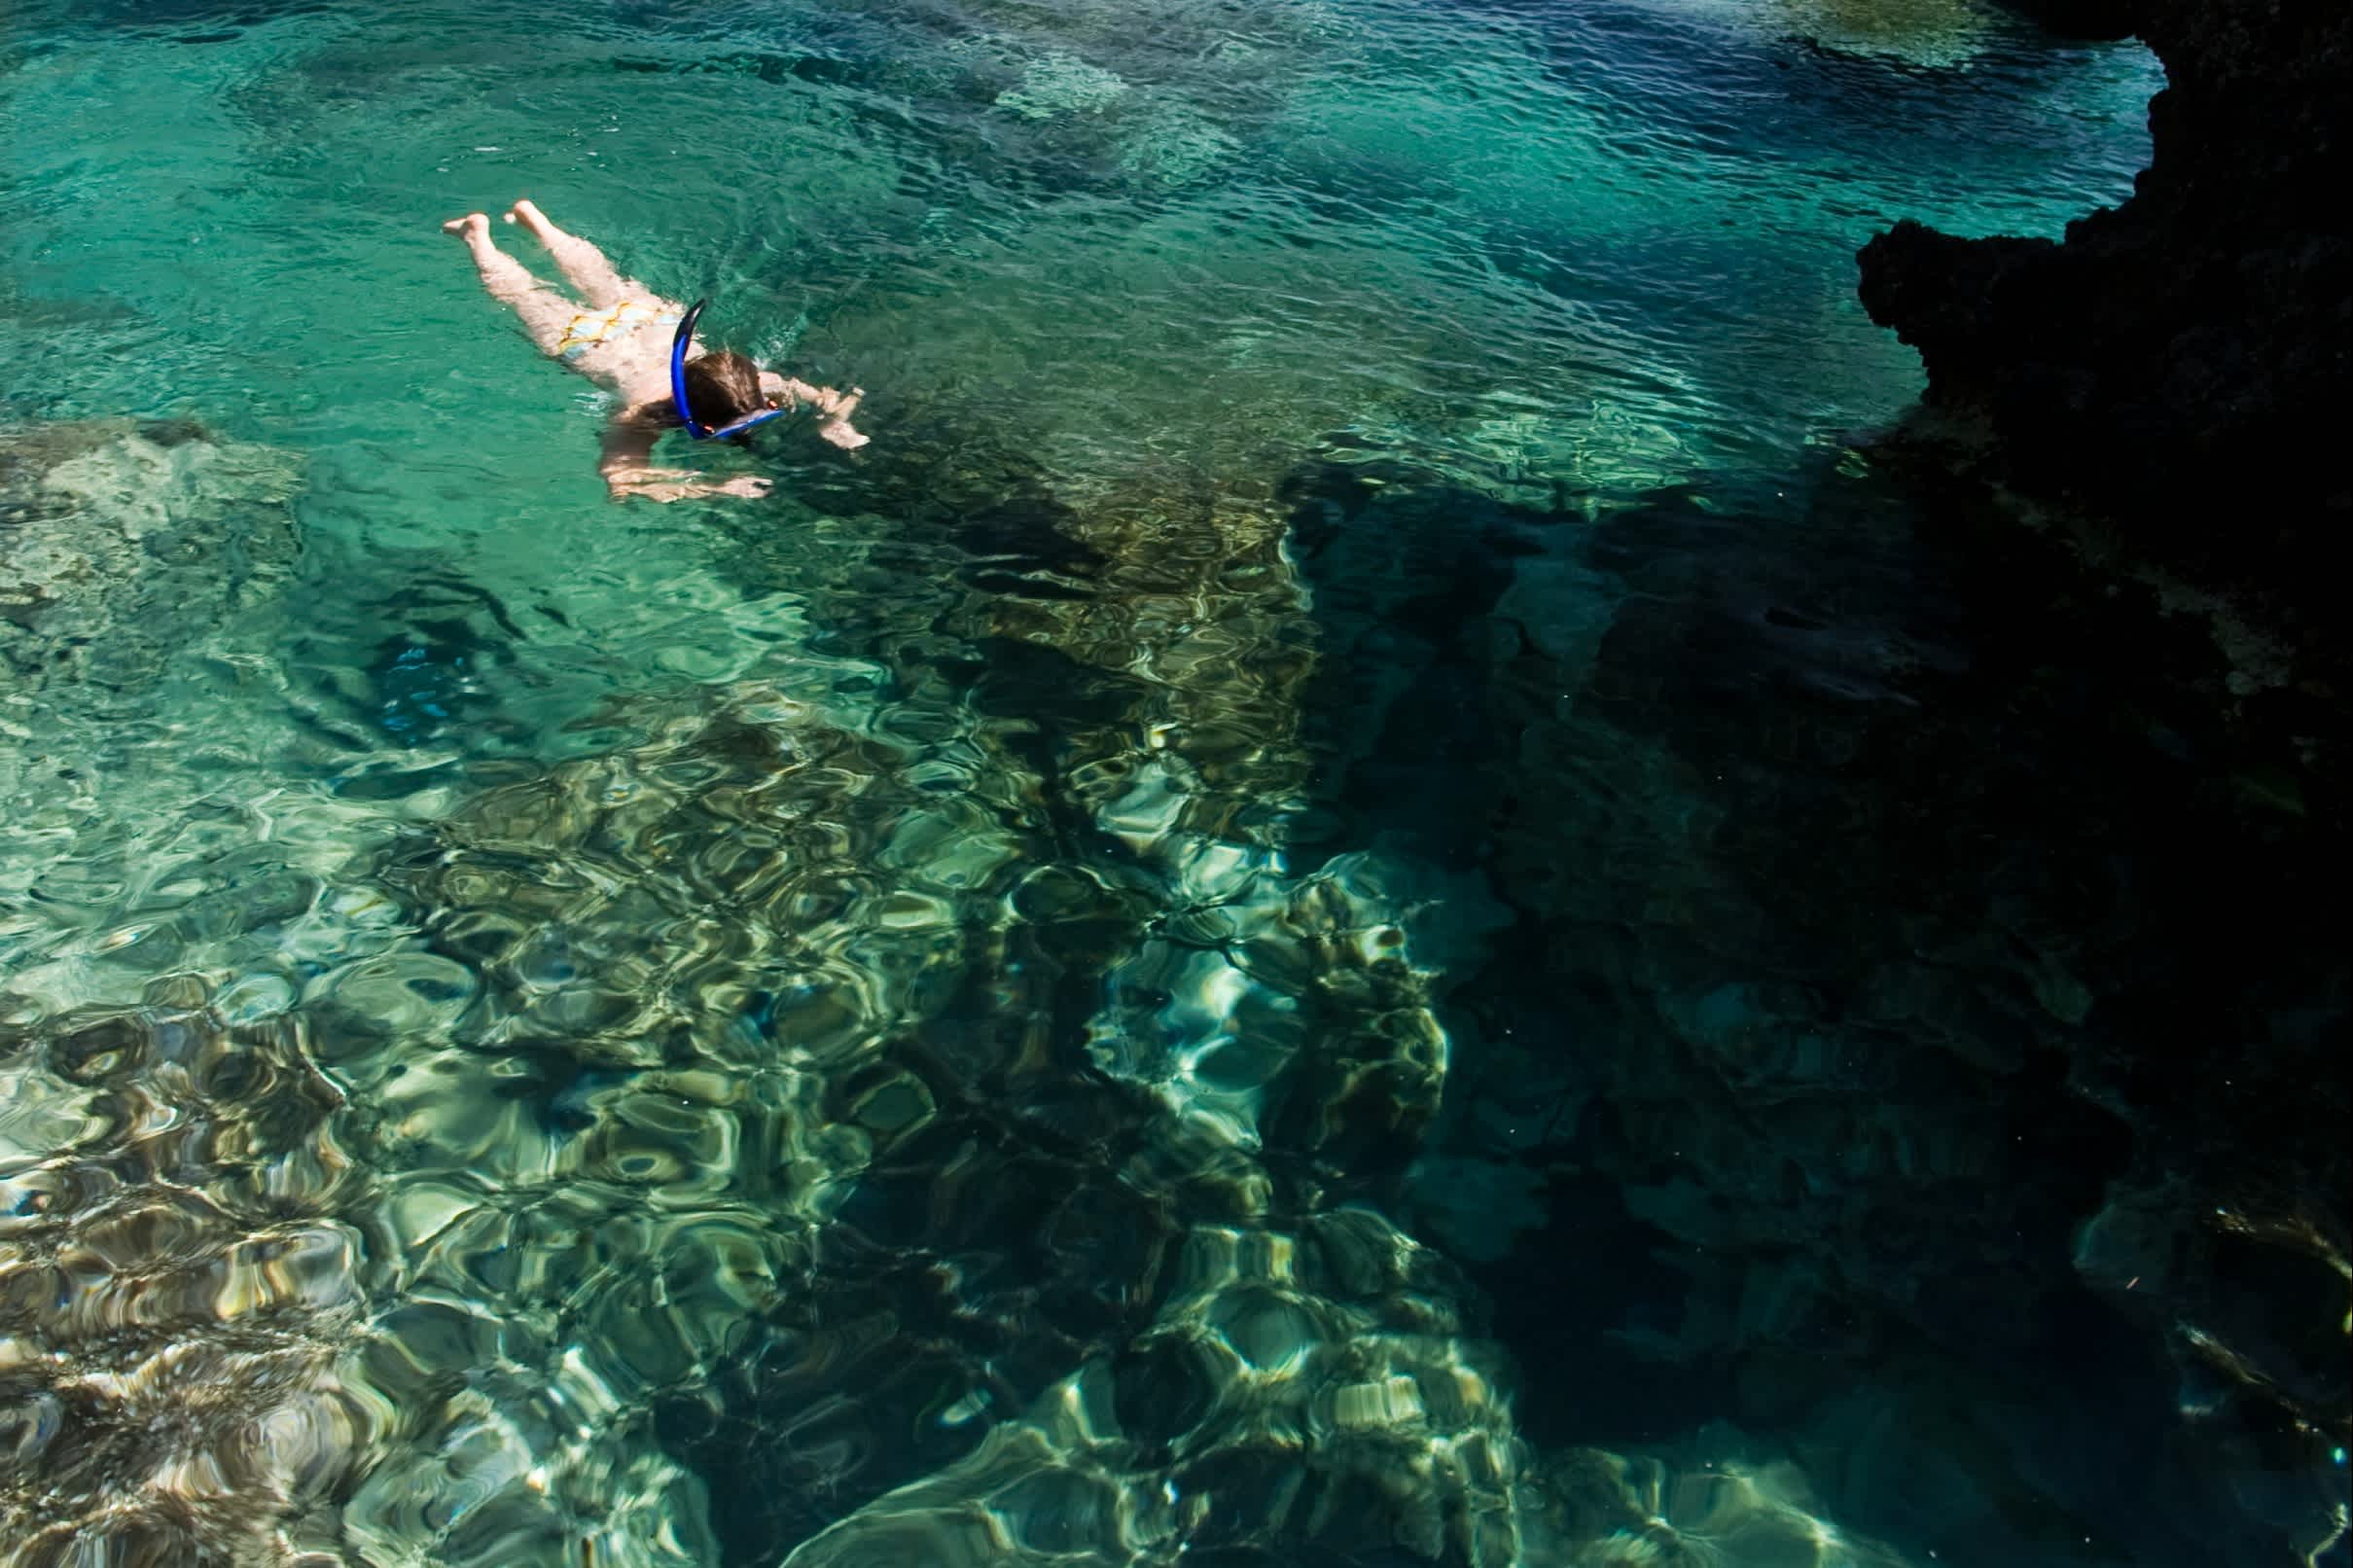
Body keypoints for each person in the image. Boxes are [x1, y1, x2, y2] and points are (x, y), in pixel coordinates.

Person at [442, 200, 868, 503]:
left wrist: (836, 422)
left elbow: (825, 396)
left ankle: (536, 223)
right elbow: (621, 480)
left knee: (600, 277)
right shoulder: (642, 414)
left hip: (651, 323)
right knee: (524, 295)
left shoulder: (752, 382)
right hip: (586, 342)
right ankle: (477, 237)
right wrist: (712, 487)